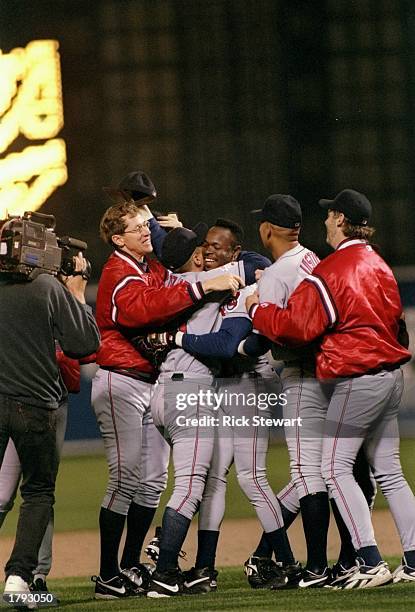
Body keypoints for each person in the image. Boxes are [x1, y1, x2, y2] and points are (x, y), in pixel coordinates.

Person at [246, 189, 415, 588]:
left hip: (359, 377)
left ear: (340, 219)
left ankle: (369, 562)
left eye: (329, 215)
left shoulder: (335, 268)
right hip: (391, 374)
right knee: (390, 472)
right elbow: (398, 326)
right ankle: (411, 560)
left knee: (333, 468)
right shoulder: (378, 263)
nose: (324, 221)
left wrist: (257, 308)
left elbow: (296, 327)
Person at [91, 198, 243, 599]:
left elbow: (178, 263)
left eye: (146, 225)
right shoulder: (118, 271)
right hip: (119, 379)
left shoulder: (149, 266)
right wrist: (202, 284)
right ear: (118, 239)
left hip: (150, 382)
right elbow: (144, 310)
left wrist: (179, 240)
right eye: (137, 228)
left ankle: (129, 565)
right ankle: (109, 575)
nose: (146, 231)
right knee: (125, 479)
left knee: (152, 483)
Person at [0, 251, 100, 602]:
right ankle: (19, 580)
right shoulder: (45, 286)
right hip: (35, 405)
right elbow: (86, 344)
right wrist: (74, 292)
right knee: (38, 492)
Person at [0, 352, 80, 592]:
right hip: (15, 397)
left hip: (52, 399)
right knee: (5, 495)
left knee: (41, 491)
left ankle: (36, 576)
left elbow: (83, 349)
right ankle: (26, 577)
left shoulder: (60, 313)